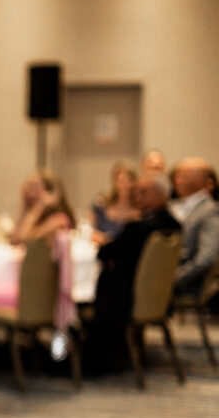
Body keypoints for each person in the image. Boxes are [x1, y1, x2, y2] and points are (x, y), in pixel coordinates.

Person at [0, 169, 76, 384]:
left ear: (51, 191)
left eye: (36, 187)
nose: (31, 192)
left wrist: (38, 208)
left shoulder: (59, 219)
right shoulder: (40, 217)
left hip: (38, 296)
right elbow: (14, 238)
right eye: (29, 187)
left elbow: (22, 238)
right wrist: (25, 206)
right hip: (31, 290)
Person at [86, 173, 181, 373]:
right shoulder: (173, 225)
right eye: (136, 193)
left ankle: (82, 356)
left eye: (143, 192)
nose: (137, 197)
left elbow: (104, 253)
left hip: (124, 300)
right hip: (157, 299)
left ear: (162, 194)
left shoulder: (140, 227)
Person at [169, 156, 219, 296]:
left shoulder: (211, 211)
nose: (177, 181)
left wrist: (172, 279)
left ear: (204, 181)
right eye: (177, 176)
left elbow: (206, 258)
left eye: (184, 176)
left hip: (187, 284)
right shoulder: (173, 206)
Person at [89, 159, 140, 245]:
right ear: (115, 183)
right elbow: (92, 233)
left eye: (130, 181)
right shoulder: (101, 206)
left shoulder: (141, 210)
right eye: (122, 181)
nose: (126, 185)